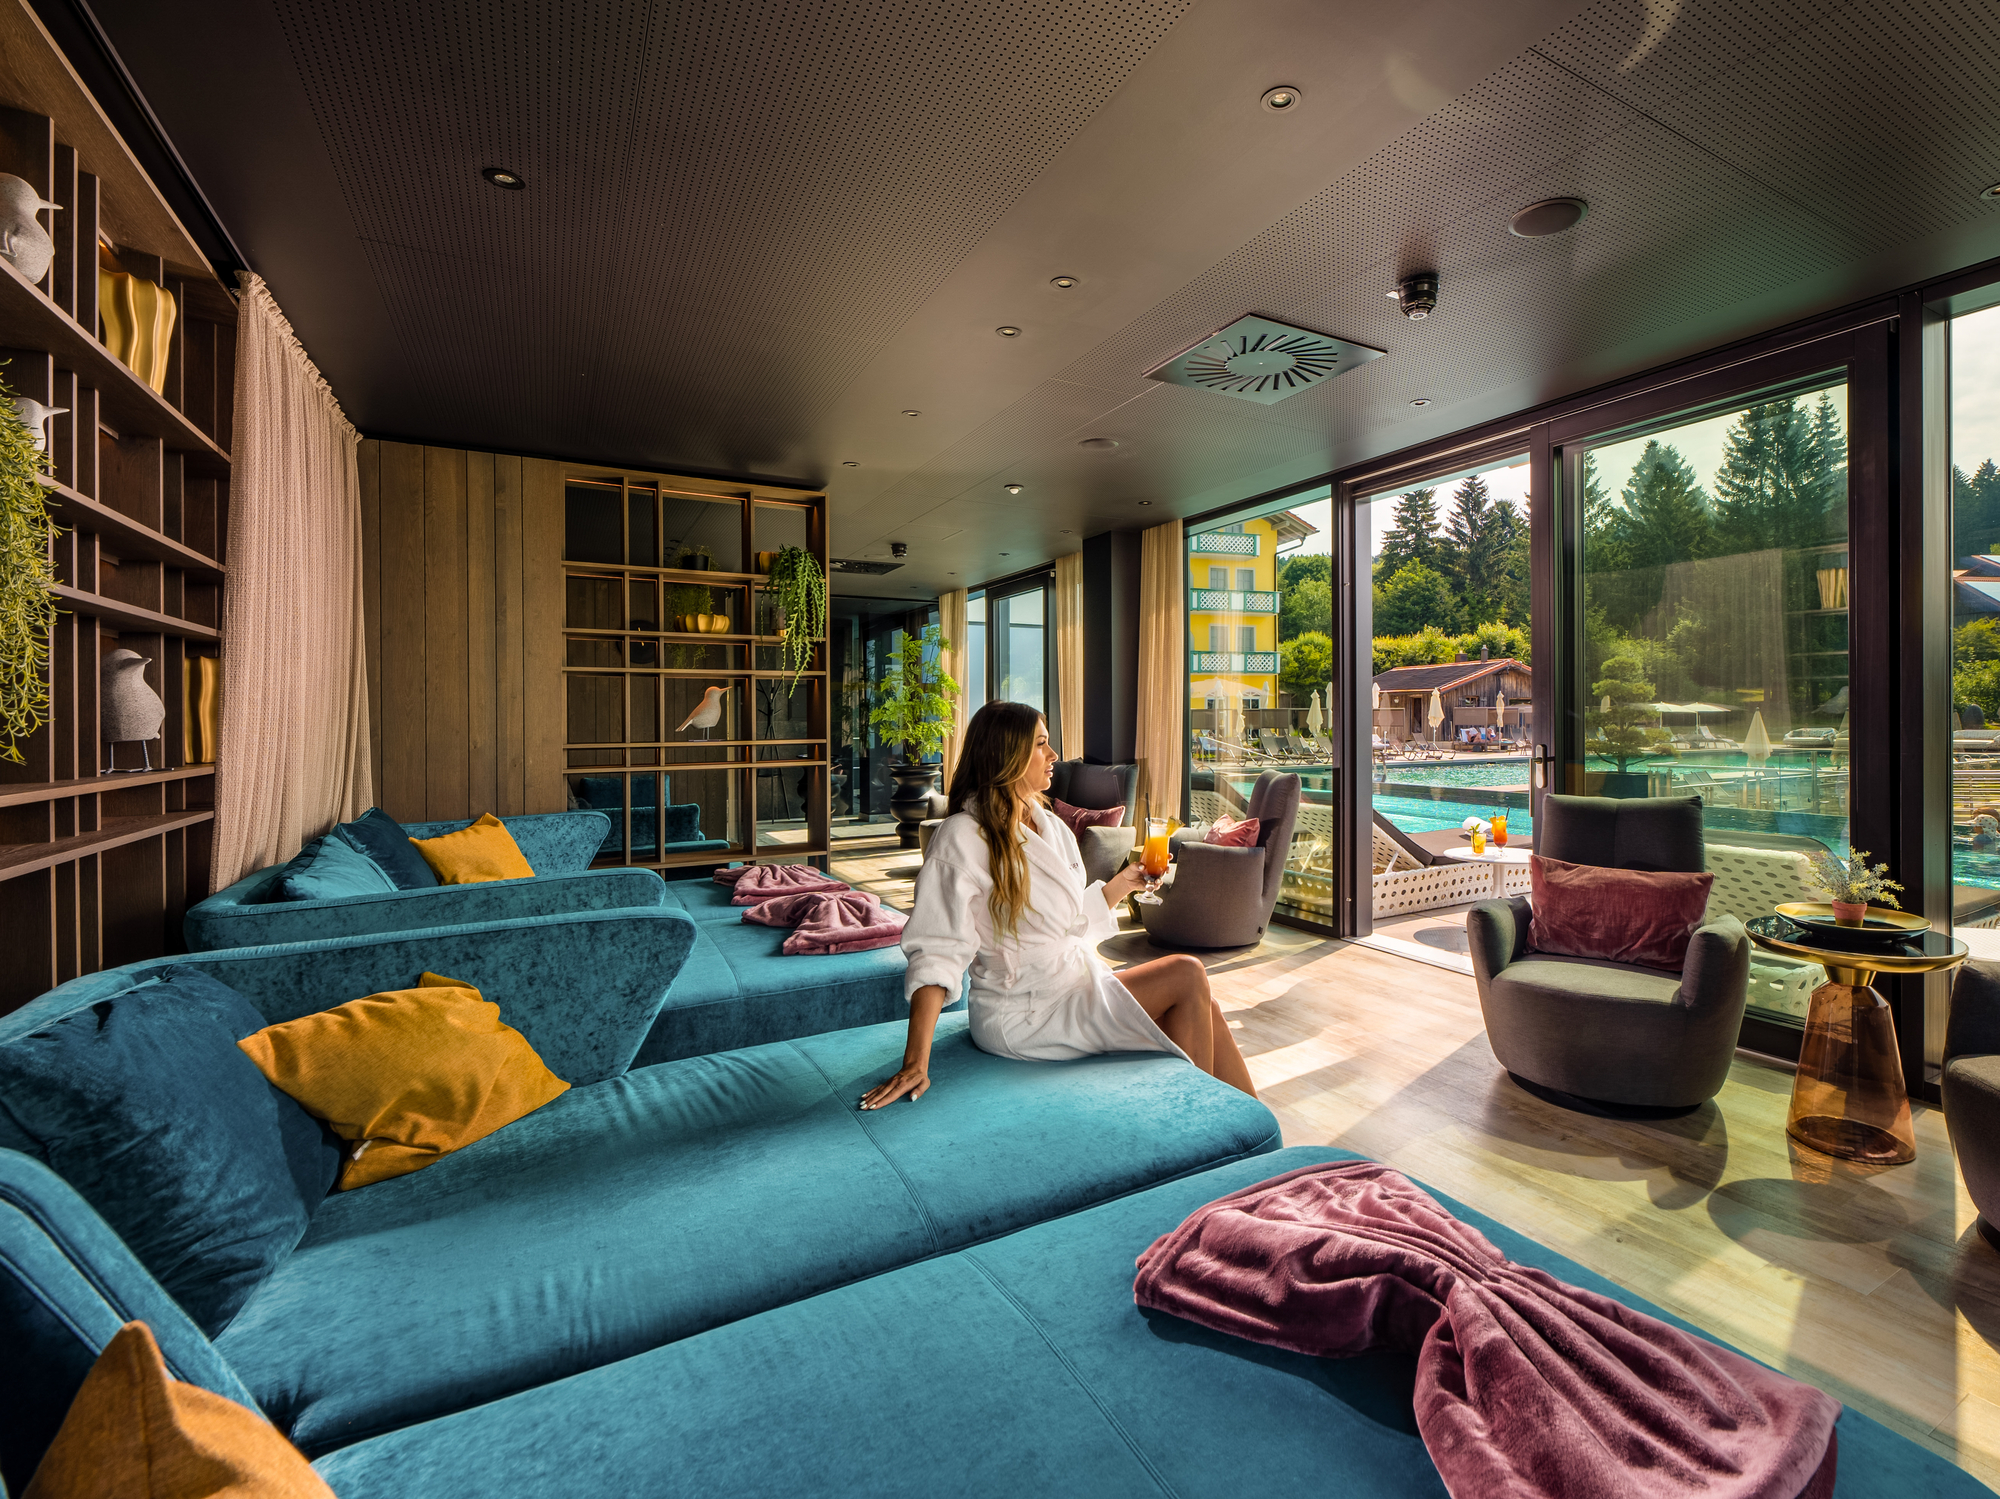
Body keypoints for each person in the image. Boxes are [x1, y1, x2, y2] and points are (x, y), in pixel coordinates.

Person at [860, 700, 1257, 1109]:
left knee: (1204, 1005)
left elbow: (1067, 921)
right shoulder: (963, 837)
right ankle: (1205, 1125)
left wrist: (1123, 883)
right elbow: (938, 949)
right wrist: (915, 1062)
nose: (1053, 755)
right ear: (1006, 754)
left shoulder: (1049, 825)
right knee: (1186, 973)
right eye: (1040, 744)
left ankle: (1258, 1130)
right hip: (1023, 1010)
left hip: (1071, 984)